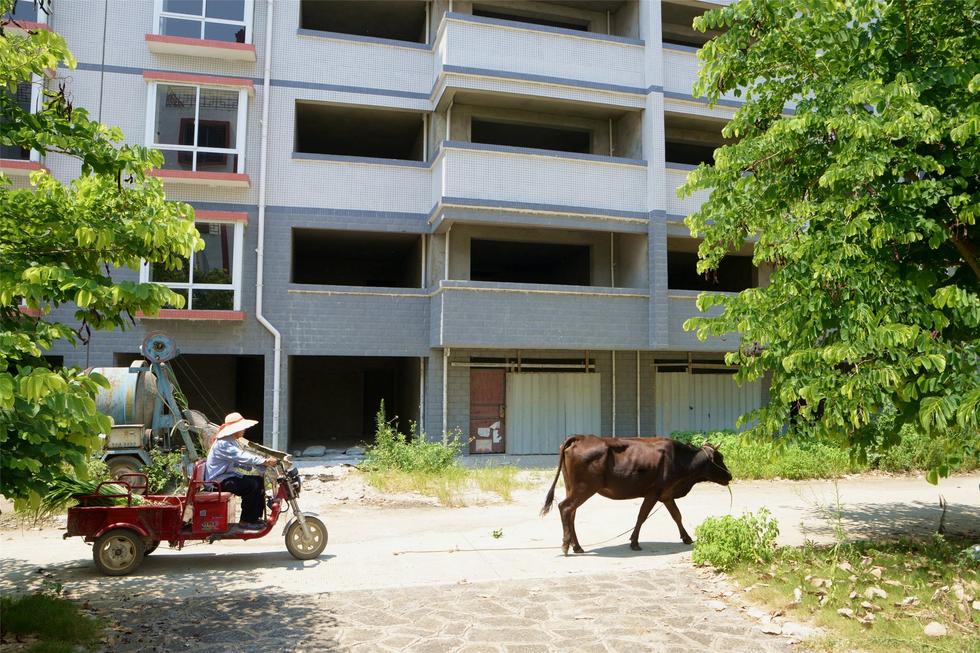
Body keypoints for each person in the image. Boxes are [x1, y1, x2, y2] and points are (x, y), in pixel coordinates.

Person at [205, 412, 276, 530]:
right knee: (251, 485)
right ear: (234, 429)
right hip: (217, 482)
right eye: (241, 428)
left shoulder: (230, 441)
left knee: (258, 480)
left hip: (226, 477)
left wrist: (259, 466)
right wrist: (263, 461)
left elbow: (238, 462)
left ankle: (254, 518)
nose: (244, 430)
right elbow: (241, 456)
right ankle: (246, 521)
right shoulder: (224, 443)